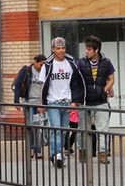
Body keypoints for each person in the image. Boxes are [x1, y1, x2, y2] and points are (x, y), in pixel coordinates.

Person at [39, 37, 85, 168]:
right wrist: (42, 103)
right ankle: (58, 154)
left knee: (64, 130)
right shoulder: (48, 65)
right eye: (58, 48)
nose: (61, 51)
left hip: (67, 102)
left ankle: (56, 155)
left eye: (63, 48)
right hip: (53, 102)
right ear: (53, 50)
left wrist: (75, 102)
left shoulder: (70, 64)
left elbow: (76, 84)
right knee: (56, 130)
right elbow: (43, 84)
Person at [76, 35, 115, 164]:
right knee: (83, 128)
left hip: (101, 102)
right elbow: (76, 81)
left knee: (103, 129)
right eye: (86, 49)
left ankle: (103, 154)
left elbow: (111, 79)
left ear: (96, 50)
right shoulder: (81, 63)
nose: (86, 51)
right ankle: (82, 152)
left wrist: (104, 90)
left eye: (89, 49)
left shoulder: (106, 62)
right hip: (85, 102)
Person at [13, 54, 47, 159]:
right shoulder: (27, 70)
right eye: (40, 65)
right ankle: (32, 148)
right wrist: (16, 101)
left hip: (39, 103)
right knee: (31, 125)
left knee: (39, 127)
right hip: (28, 103)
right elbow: (18, 84)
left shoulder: (45, 71)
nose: (41, 67)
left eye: (43, 65)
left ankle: (39, 150)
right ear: (35, 62)